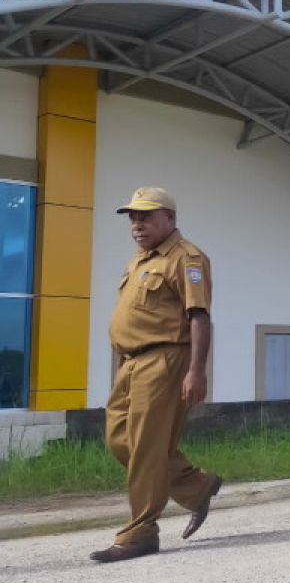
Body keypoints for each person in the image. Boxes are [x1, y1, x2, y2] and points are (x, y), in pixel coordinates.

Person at [90, 187, 221, 563]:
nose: (137, 224)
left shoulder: (186, 258)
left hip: (165, 360)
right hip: (130, 363)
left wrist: (197, 370)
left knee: (147, 446)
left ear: (170, 219)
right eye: (132, 217)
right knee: (120, 440)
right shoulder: (140, 260)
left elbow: (199, 317)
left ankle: (141, 531)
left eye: (146, 216)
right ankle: (196, 487)